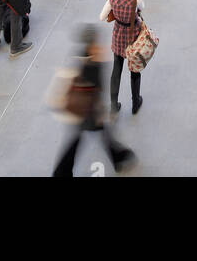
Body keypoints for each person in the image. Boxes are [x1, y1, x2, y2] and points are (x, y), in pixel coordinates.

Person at [52, 26, 135, 177]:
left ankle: (118, 157)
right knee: (85, 138)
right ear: (92, 44)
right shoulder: (93, 63)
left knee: (87, 137)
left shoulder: (83, 57)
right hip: (88, 110)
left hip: (84, 109)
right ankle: (61, 172)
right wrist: (99, 112)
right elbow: (96, 89)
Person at [99, 0, 145, 115]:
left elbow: (102, 17)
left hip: (118, 36)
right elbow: (142, 9)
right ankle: (135, 103)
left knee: (116, 71)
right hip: (133, 38)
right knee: (135, 71)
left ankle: (114, 105)